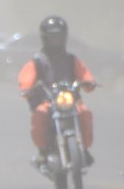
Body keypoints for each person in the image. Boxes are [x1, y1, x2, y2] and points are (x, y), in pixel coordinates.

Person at [18, 16, 96, 167]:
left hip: (71, 101)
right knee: (40, 115)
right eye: (53, 38)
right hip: (47, 101)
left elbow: (84, 73)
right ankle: (42, 151)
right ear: (45, 39)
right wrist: (26, 88)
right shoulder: (38, 60)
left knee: (85, 113)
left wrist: (89, 82)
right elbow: (27, 76)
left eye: (59, 37)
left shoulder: (71, 59)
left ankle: (84, 149)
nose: (56, 41)